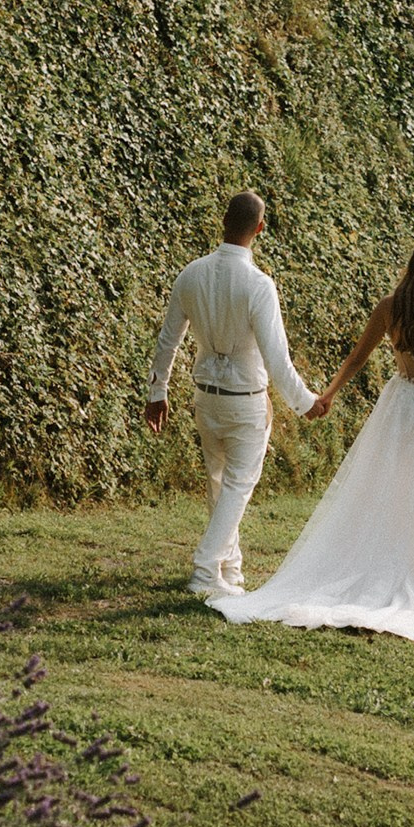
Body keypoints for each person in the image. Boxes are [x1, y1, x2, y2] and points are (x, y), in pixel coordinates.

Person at [209, 179, 414, 641]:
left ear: (413, 265)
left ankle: (393, 563)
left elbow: (357, 359)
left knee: (396, 489)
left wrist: (329, 394)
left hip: (401, 404)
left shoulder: (390, 307)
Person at [145, 190, 317, 600]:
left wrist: (158, 391)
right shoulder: (259, 286)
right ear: (260, 228)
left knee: (219, 482)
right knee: (237, 484)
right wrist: (307, 402)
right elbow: (278, 360)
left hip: (205, 396)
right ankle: (206, 568)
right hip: (244, 399)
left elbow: (168, 341)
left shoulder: (191, 273)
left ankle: (230, 568)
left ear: (223, 221)